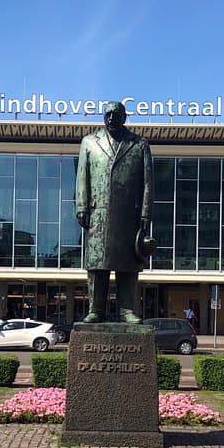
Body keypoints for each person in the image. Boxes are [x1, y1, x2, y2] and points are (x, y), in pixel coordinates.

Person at [76, 101, 153, 323]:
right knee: (98, 265)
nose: (111, 118)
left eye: (116, 114)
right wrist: (81, 206)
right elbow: (83, 176)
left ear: (124, 117)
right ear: (103, 116)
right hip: (97, 214)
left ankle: (126, 309)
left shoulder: (139, 144)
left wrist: (146, 213)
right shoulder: (89, 142)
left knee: (128, 265)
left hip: (129, 215)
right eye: (108, 114)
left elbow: (147, 182)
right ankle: (96, 309)